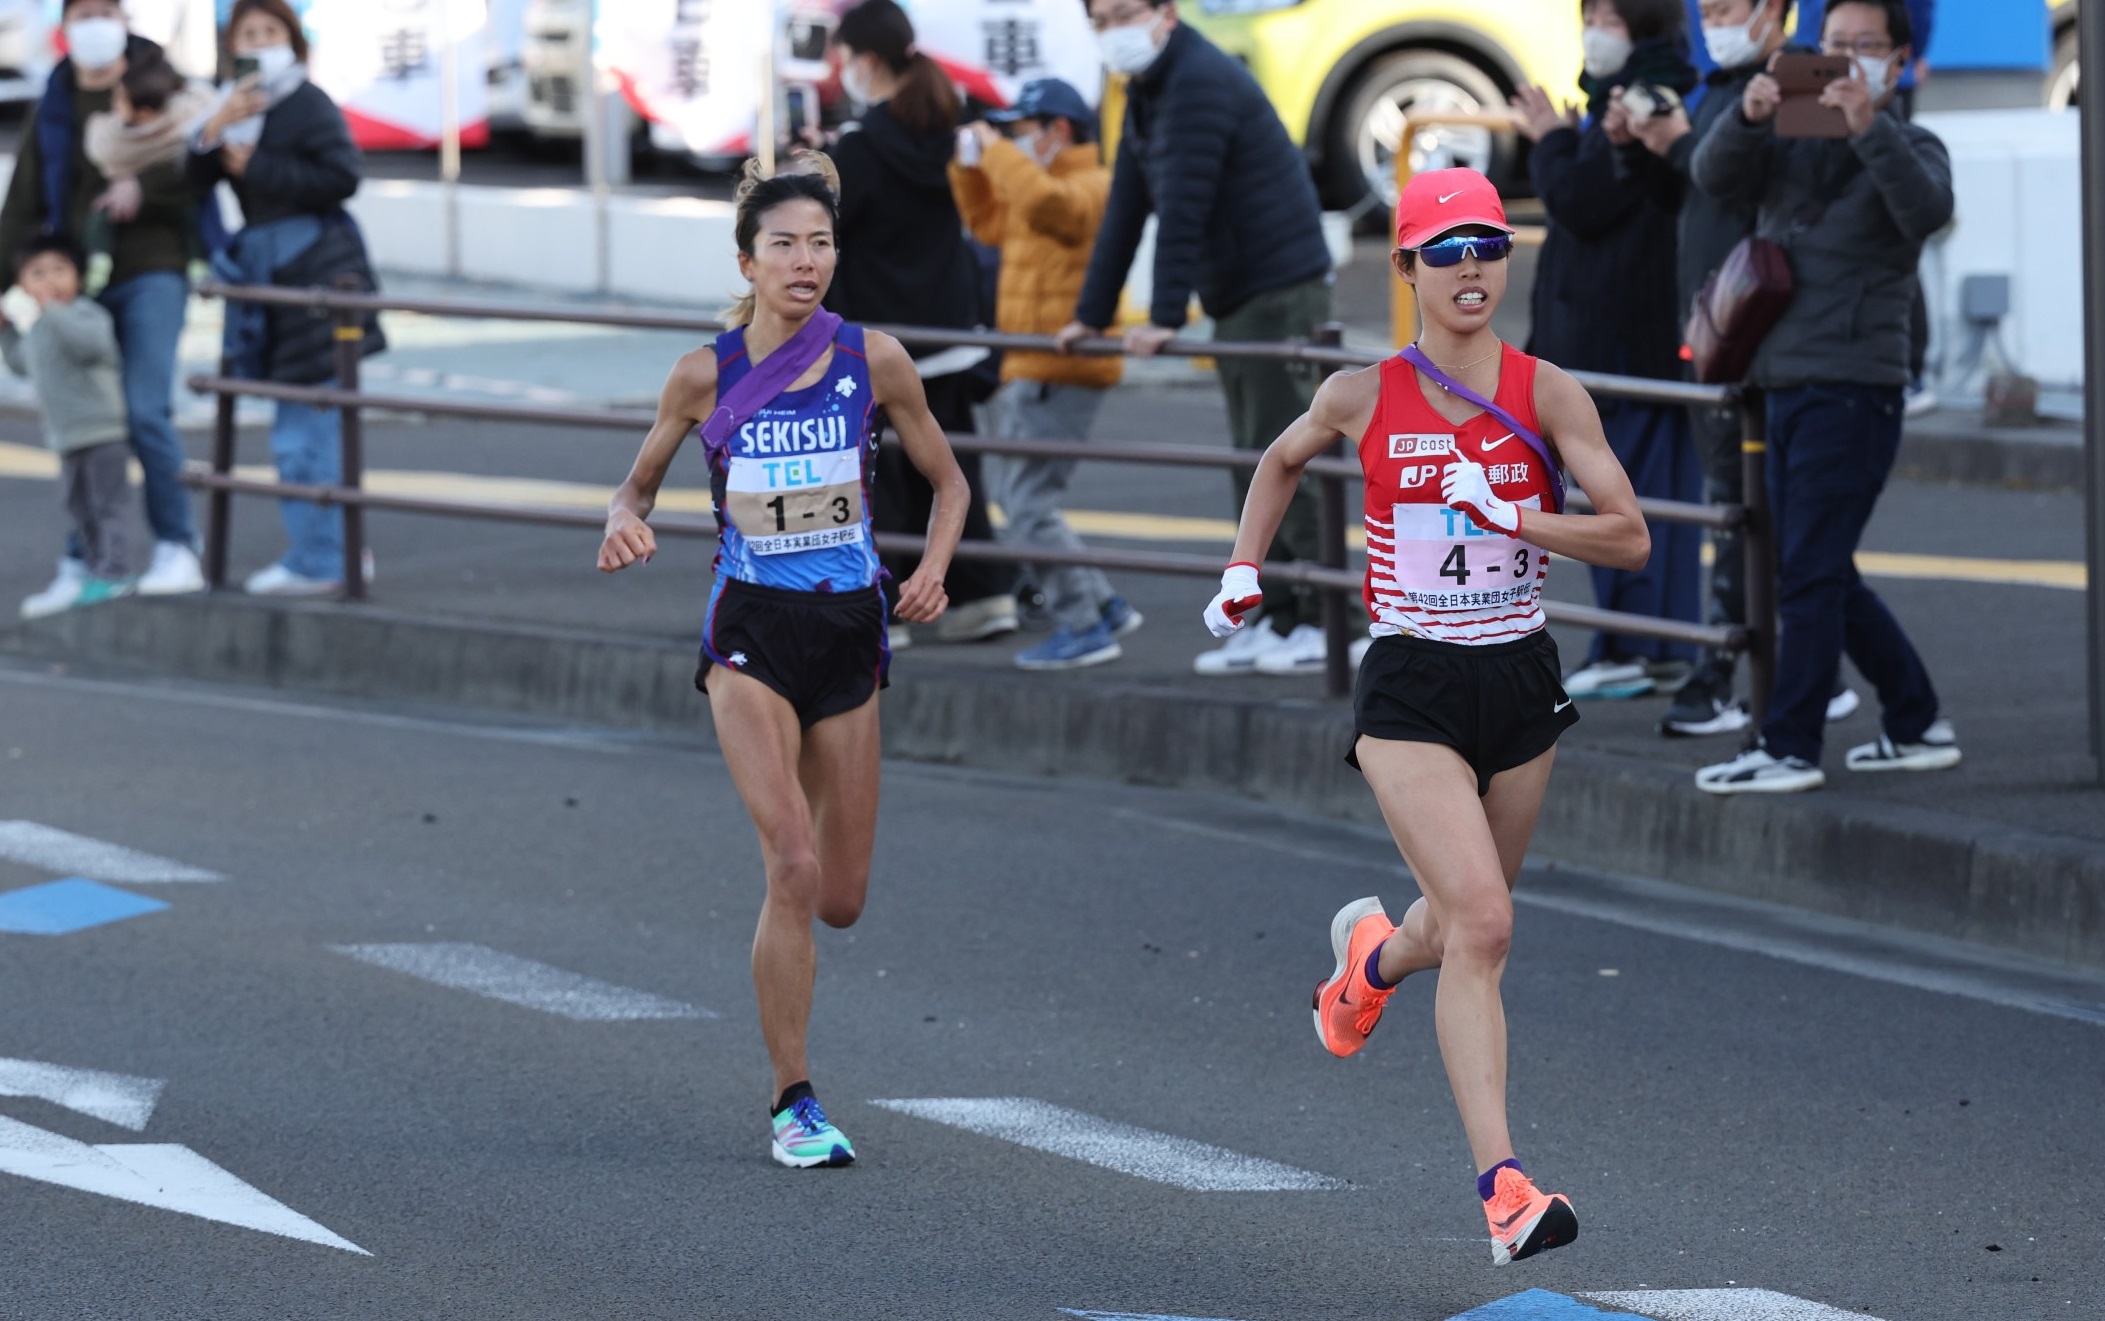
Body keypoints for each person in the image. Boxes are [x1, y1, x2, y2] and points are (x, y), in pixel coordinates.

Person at [1205, 169, 1650, 1265]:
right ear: (1403, 267)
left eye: (1487, 247)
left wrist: (1516, 513)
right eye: (1444, 251)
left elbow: (1629, 536)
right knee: (1488, 925)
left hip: (1517, 679)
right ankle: (1504, 1192)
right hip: (1408, 681)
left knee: (1458, 925)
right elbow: (1278, 458)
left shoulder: (1547, 394)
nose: (1469, 269)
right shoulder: (1362, 393)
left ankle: (1364, 966)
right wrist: (1240, 567)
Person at [598, 157, 969, 1169]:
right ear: (747, 262)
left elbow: (947, 484)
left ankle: (793, 1044)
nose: (805, 262)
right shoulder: (703, 373)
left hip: (849, 630)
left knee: (839, 894)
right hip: (749, 631)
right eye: (784, 245)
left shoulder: (873, 359)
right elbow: (632, 489)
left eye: (819, 243)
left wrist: (931, 570)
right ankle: (793, 1102)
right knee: (792, 864)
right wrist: (623, 523)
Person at [1690, 0, 1958, 793]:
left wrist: (1868, 124)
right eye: (1831, 45)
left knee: (1808, 569)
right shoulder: (1788, 141)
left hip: (1854, 388)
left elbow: (1927, 212)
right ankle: (1914, 718)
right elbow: (1710, 177)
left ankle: (1789, 745)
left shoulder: (1911, 144)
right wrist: (1748, 112)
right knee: (1815, 566)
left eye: (1862, 47)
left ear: (1898, 61)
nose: (1843, 60)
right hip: (1779, 381)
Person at [1056, 0, 1341, 678]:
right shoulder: (1152, 85)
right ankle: (1276, 614)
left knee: (1283, 457)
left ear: (1164, 12)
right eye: (1098, 20)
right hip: (1245, 293)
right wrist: (1093, 312)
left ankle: (1323, 622)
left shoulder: (1194, 80)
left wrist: (1162, 315)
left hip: (1277, 290)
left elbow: (1182, 204)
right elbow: (1128, 201)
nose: (1111, 32)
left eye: (1124, 13)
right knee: (1255, 459)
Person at [1512, 0, 1700, 703]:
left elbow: (1581, 201)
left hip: (1631, 348)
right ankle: (1650, 644)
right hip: (1621, 348)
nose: (1594, 31)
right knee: (1637, 501)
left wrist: (1550, 139)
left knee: (1629, 503)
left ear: (1646, 28)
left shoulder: (1647, 99)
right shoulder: (1618, 97)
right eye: (1590, 14)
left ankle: (1639, 645)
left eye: (1612, 19)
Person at [0, 0, 204, 613]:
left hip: (152, 267)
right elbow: (24, 199)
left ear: (123, 18)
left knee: (144, 410)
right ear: (66, 25)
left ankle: (176, 544)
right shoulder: (56, 100)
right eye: (84, 11)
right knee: (78, 425)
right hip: (75, 279)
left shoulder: (164, 84)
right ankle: (84, 559)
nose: (96, 23)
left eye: (106, 10)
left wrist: (145, 186)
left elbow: (202, 164)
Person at [826, 0, 1018, 649]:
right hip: (952, 334)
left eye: (844, 57)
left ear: (868, 61)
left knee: (878, 480)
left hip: (882, 344)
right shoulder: (954, 130)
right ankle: (983, 597)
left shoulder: (858, 149)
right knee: (952, 474)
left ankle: (884, 605)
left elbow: (829, 235)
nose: (840, 69)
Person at [1628, 0, 1792, 735]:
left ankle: (1729, 675)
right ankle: (1782, 670)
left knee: (1742, 512)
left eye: (1732, 4)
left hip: (1754, 334)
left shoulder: (1787, 86)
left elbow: (1743, 184)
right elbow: (1697, 186)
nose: (1716, 16)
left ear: (1776, 10)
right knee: (1741, 513)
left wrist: (1687, 145)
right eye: (1709, 6)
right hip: (1713, 327)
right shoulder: (1724, 83)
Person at [189, 0, 381, 597]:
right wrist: (213, 133)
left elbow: (343, 176)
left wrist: (261, 166)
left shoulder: (306, 101)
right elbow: (191, 187)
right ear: (230, 45)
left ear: (293, 43)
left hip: (316, 272)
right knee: (296, 421)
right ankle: (326, 552)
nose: (261, 41)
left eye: (272, 31)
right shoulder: (229, 107)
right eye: (249, 33)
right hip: (271, 277)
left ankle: (325, 558)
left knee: (307, 425)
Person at [950, 78, 1141, 671]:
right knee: (1025, 498)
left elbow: (1043, 206)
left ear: (1058, 131)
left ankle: (1084, 624)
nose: (1013, 140)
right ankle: (1103, 606)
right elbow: (988, 223)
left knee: (1027, 504)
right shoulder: (1041, 180)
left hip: (1063, 367)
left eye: (1023, 130)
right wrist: (968, 168)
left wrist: (996, 153)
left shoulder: (1092, 185)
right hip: (1038, 364)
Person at [3, 236, 135, 614]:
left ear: (78, 277)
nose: (50, 281)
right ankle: (97, 570)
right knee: (79, 508)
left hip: (102, 432)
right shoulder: (42, 327)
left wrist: (54, 312)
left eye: (60, 271)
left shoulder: (85, 314)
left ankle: (116, 572)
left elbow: (91, 345)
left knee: (107, 506)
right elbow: (20, 362)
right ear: (22, 285)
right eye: (37, 274)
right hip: (67, 437)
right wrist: (7, 329)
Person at [83, 53, 216, 296]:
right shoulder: (188, 118)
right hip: (143, 229)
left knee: (192, 219)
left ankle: (99, 258)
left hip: (163, 247)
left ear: (142, 111)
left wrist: (138, 182)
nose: (114, 104)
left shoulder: (183, 122)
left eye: (120, 99)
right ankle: (100, 261)